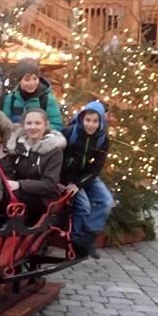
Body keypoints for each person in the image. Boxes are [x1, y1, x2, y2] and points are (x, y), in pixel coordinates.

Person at [61, 100, 113, 259]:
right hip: (66, 176)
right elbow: (58, 161)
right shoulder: (69, 133)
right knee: (83, 205)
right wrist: (70, 182)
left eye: (95, 121)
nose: (91, 125)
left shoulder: (102, 139)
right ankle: (75, 240)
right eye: (88, 120)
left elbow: (96, 167)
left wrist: (80, 183)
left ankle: (87, 237)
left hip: (85, 176)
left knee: (106, 201)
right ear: (81, 119)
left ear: (101, 122)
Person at [0, 107, 66, 226]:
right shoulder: (17, 146)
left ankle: (11, 228)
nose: (33, 127)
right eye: (29, 123)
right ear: (23, 126)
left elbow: (49, 184)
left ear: (45, 125)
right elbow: (11, 171)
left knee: (10, 197)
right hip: (19, 189)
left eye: (37, 123)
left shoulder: (54, 151)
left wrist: (19, 184)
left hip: (44, 196)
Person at [1, 58, 64, 130]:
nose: (31, 83)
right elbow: (5, 123)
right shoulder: (11, 99)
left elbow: (56, 124)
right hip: (16, 138)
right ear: (19, 80)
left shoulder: (47, 99)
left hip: (40, 138)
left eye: (35, 79)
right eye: (27, 80)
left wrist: (38, 130)